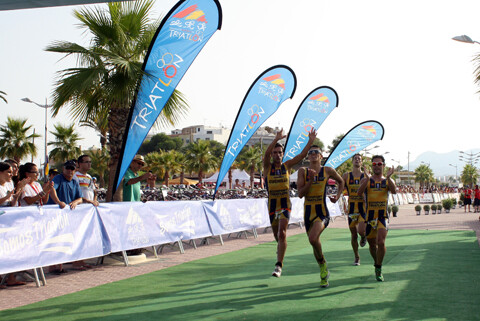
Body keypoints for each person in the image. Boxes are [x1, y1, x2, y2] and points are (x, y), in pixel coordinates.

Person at [263, 128, 316, 278]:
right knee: (277, 235)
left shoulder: (287, 166)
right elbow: (266, 155)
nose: (278, 155)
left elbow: (302, 155)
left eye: (280, 153)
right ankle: (280, 249)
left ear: (283, 155)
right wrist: (276, 139)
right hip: (272, 205)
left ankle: (279, 265)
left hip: (285, 204)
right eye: (275, 153)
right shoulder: (268, 167)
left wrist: (310, 141)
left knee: (282, 233)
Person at [297, 145, 344, 287]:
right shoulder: (302, 171)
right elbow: (300, 194)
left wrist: (337, 196)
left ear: (321, 156)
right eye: (310, 152)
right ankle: (323, 269)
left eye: (316, 152)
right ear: (308, 156)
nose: (312, 154)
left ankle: (323, 264)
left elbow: (341, 181)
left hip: (322, 212)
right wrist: (310, 180)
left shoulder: (328, 170)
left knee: (313, 238)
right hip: (308, 212)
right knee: (314, 243)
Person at [357, 155, 396, 282]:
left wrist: (389, 177)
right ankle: (376, 262)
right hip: (369, 217)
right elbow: (358, 193)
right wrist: (367, 180)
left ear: (383, 166)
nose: (377, 166)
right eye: (374, 164)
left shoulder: (387, 180)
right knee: (372, 244)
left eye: (379, 164)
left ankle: (378, 267)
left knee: (381, 242)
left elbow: (394, 191)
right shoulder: (367, 180)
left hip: (382, 216)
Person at [46, 160, 84, 273]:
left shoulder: (75, 180)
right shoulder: (58, 178)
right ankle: (52, 266)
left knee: (63, 240)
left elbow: (80, 198)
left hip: (67, 217)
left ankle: (60, 266)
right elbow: (52, 189)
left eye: (72, 169)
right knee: (54, 240)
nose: (70, 171)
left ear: (75, 170)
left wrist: (76, 202)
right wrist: (59, 202)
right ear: (63, 169)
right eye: (68, 168)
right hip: (54, 215)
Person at [0, 161, 28, 287]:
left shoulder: (9, 184)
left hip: (9, 222)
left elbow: (12, 202)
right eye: (8, 172)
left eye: (12, 172)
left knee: (9, 248)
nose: (11, 175)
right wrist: (7, 197)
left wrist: (19, 190)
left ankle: (11, 277)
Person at [342, 153, 367, 266]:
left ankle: (363, 236)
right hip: (351, 208)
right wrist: (339, 198)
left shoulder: (365, 176)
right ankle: (357, 257)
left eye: (359, 159)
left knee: (360, 230)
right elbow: (340, 189)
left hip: (362, 208)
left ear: (361, 162)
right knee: (353, 235)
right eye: (355, 158)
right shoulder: (346, 176)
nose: (357, 160)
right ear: (352, 161)